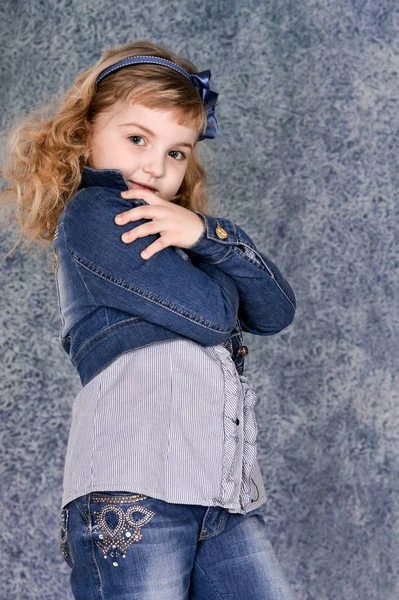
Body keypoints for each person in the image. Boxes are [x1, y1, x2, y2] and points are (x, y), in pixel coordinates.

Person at [1, 39, 298, 600]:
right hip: (135, 497)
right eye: (137, 138)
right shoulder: (95, 215)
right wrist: (214, 257)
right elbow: (213, 317)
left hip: (221, 498)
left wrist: (207, 234)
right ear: (86, 132)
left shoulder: (178, 235)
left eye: (177, 153)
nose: (154, 167)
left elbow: (276, 310)